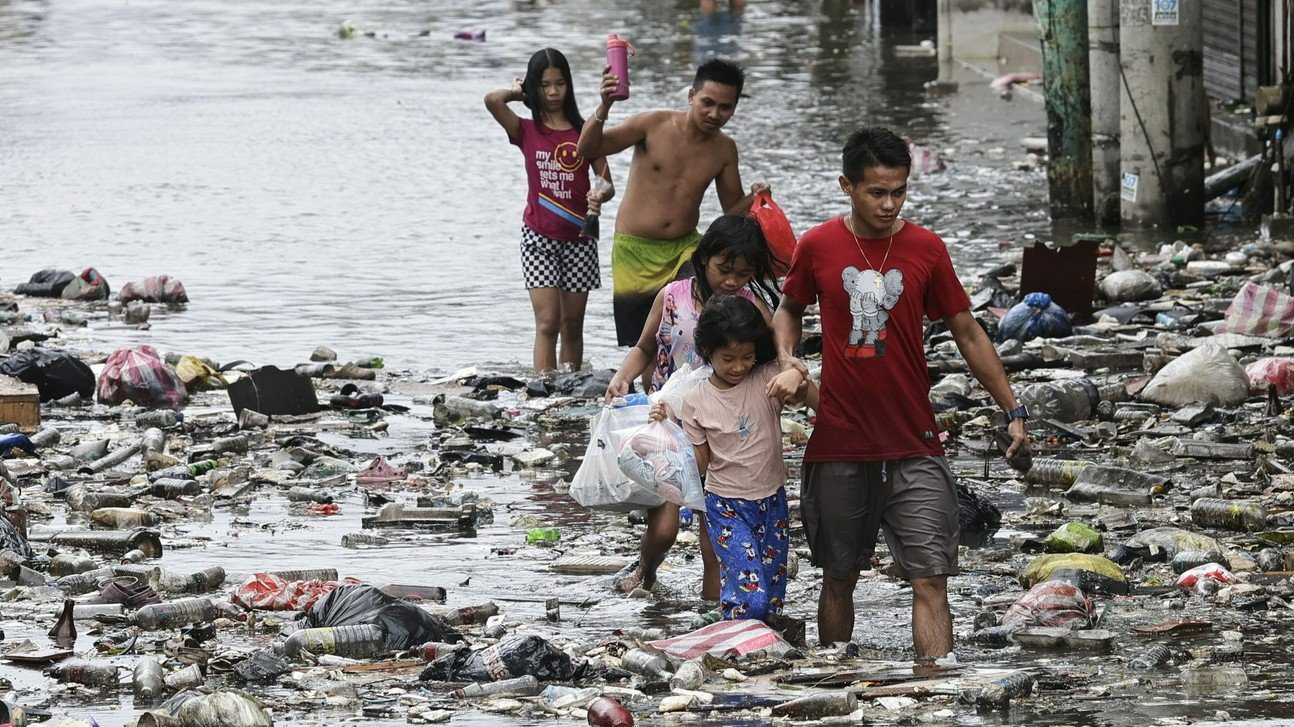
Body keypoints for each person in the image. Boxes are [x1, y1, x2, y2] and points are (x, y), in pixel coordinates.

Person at [770, 126, 1031, 660]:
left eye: (899, 191)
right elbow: (788, 310)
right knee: (839, 576)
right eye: (876, 192)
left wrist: (1014, 408)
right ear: (847, 186)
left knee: (932, 578)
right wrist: (787, 359)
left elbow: (968, 332)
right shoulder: (818, 245)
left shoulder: (926, 249)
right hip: (840, 440)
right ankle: (836, 686)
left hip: (916, 440)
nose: (890, 204)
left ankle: (934, 696)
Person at [604, 214, 779, 598]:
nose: (732, 281)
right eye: (724, 270)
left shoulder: (750, 306)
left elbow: (772, 355)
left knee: (714, 534)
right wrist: (622, 377)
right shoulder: (673, 297)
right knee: (665, 528)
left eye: (744, 273)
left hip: (724, 432)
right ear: (703, 259)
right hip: (670, 425)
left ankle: (714, 608)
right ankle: (647, 571)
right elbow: (645, 346)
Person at [576, 56, 768, 353]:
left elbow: (730, 210)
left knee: (694, 321)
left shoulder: (725, 149)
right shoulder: (652, 123)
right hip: (634, 251)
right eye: (707, 102)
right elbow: (587, 148)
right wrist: (605, 105)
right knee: (644, 342)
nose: (715, 113)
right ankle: (653, 397)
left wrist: (756, 196)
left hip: (685, 250)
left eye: (725, 107)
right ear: (692, 97)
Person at [649, 295, 814, 623]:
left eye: (746, 357)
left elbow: (815, 401)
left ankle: (761, 651)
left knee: (772, 592)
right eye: (728, 359)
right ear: (708, 353)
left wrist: (799, 376)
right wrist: (666, 427)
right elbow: (700, 463)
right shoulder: (697, 400)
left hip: (773, 502)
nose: (739, 366)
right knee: (748, 595)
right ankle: (738, 644)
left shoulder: (768, 377)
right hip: (726, 507)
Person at [485, 48, 614, 373]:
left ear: (569, 86)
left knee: (572, 324)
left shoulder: (585, 131)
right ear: (535, 87)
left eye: (559, 83)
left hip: (580, 239)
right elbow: (491, 101)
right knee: (547, 322)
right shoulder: (526, 130)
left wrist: (598, 195)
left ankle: (567, 389)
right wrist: (516, 93)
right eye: (544, 85)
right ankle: (543, 389)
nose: (553, 92)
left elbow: (606, 181)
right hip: (538, 238)